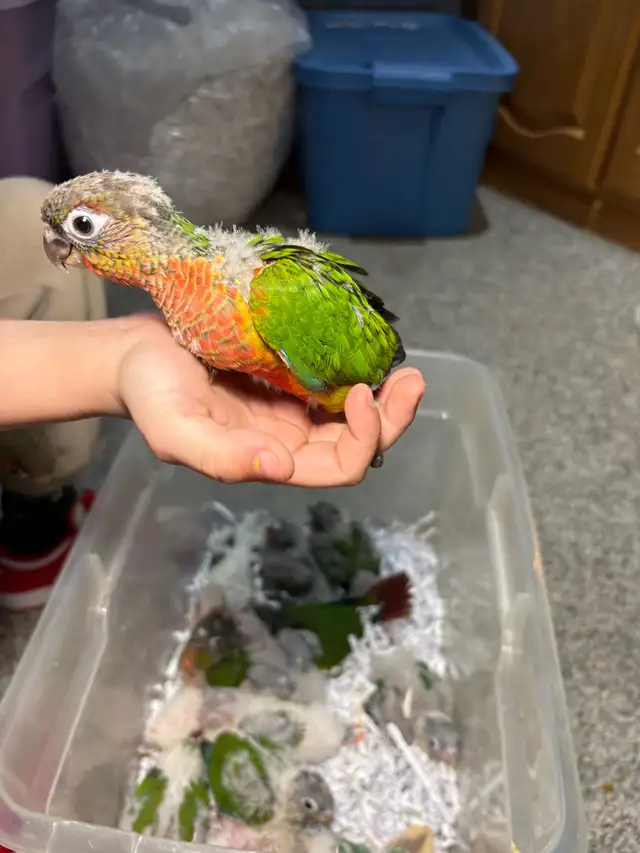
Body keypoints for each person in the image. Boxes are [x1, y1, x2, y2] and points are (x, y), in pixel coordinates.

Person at [0, 177, 425, 613]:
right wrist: (125, 358)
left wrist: (360, 401)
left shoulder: (268, 294)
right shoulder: (184, 302)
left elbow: (359, 368)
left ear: (141, 229)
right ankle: (36, 528)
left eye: (84, 225)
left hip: (337, 371)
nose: (58, 244)